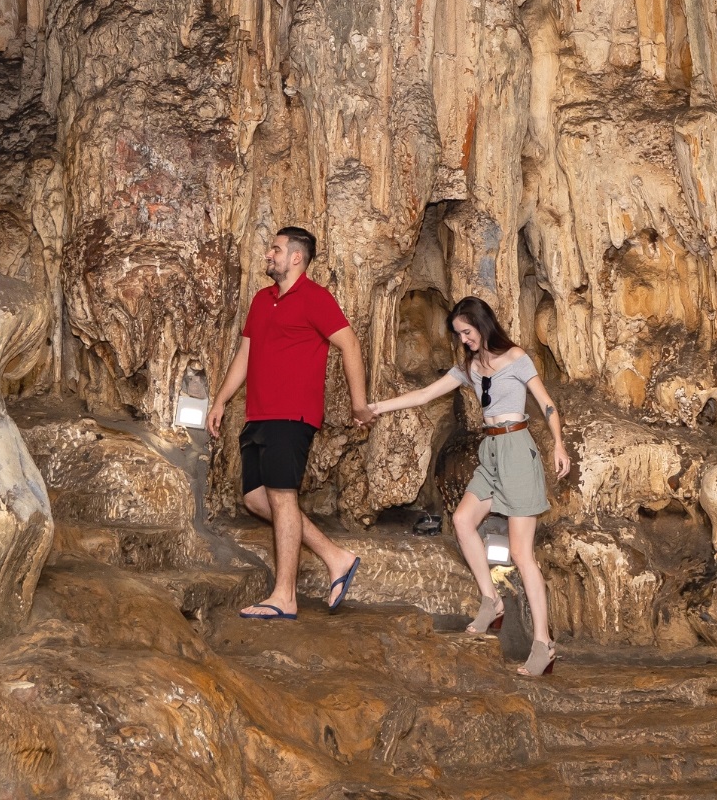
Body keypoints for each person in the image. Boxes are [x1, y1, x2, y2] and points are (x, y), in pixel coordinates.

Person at [365, 296, 570, 676]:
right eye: (459, 335)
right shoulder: (470, 367)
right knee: (462, 522)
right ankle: (491, 601)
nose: (464, 340)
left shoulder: (516, 358)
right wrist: (377, 408)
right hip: (490, 449)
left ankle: (543, 643)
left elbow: (547, 403)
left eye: (467, 332)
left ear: (483, 324)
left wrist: (558, 444)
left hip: (517, 447)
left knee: (522, 555)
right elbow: (426, 394)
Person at [207, 226, 369, 620]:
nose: (269, 255)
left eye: (276, 250)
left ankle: (285, 596)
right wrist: (221, 399)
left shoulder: (315, 298)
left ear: (296, 257)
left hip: (292, 414)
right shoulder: (262, 300)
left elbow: (349, 343)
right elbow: (246, 352)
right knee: (256, 499)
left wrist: (359, 403)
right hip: (259, 414)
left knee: (281, 497)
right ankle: (336, 557)